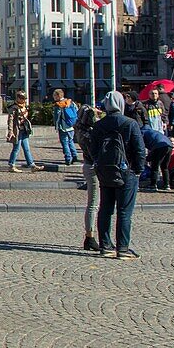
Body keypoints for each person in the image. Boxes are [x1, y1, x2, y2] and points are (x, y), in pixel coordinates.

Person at [90, 91, 146, 259]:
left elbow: (92, 148)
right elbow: (139, 149)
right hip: (126, 171)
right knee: (124, 212)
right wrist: (138, 170)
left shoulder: (99, 125)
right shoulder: (129, 123)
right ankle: (123, 248)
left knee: (105, 209)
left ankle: (105, 245)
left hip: (105, 170)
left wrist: (99, 163)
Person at [73, 103, 101, 251]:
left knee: (94, 203)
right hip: (93, 166)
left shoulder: (80, 129)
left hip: (88, 164)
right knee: (93, 204)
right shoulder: (89, 134)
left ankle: (91, 235)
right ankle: (90, 236)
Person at [6, 91, 44, 173]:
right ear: (18, 98)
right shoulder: (13, 107)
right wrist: (10, 131)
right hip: (18, 131)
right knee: (16, 148)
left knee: (27, 149)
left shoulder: (25, 107)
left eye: (25, 99)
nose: (24, 100)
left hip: (24, 131)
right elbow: (10, 120)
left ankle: (32, 165)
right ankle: (11, 165)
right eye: (22, 98)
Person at [140, 126, 174, 192]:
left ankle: (153, 185)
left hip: (159, 146)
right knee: (165, 167)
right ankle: (167, 185)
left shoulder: (142, 132)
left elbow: (141, 145)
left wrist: (147, 158)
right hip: (169, 145)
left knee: (155, 166)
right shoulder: (153, 132)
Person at [52, 89, 79, 165]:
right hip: (71, 126)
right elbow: (76, 111)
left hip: (63, 127)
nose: (54, 97)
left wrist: (56, 126)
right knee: (70, 141)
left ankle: (68, 158)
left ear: (58, 96)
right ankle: (74, 155)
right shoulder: (70, 102)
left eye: (54, 95)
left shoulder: (59, 105)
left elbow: (57, 118)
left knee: (64, 143)